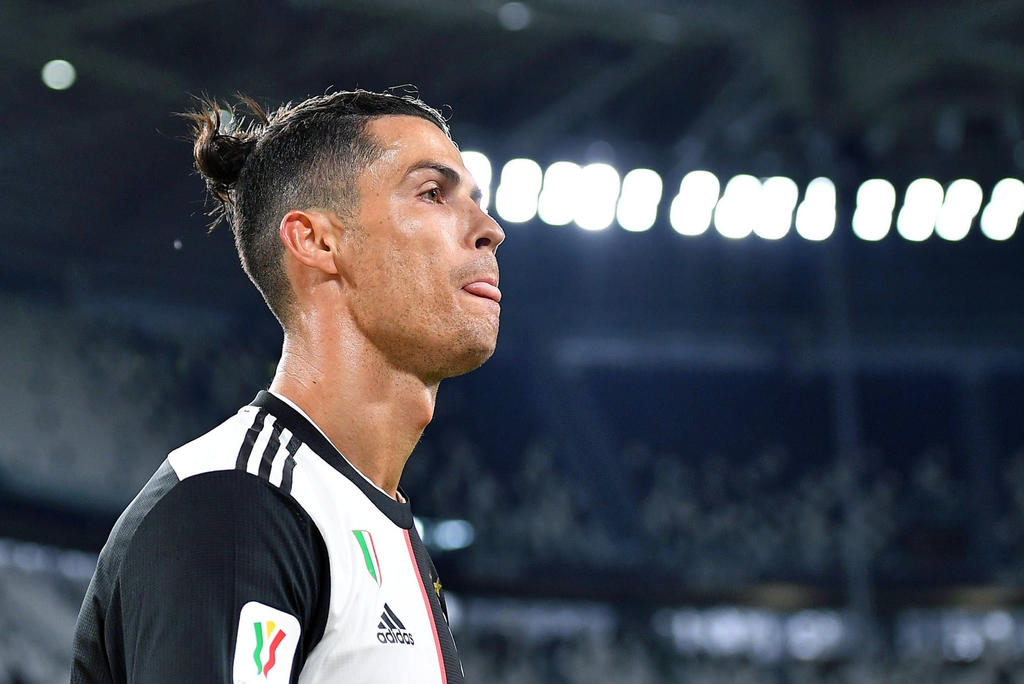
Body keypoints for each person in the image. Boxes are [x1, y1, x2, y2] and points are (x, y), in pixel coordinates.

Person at [70, 88, 503, 683]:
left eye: (476, 201)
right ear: (317, 242)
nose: (490, 229)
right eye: (433, 193)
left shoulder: (363, 515)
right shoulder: (237, 505)